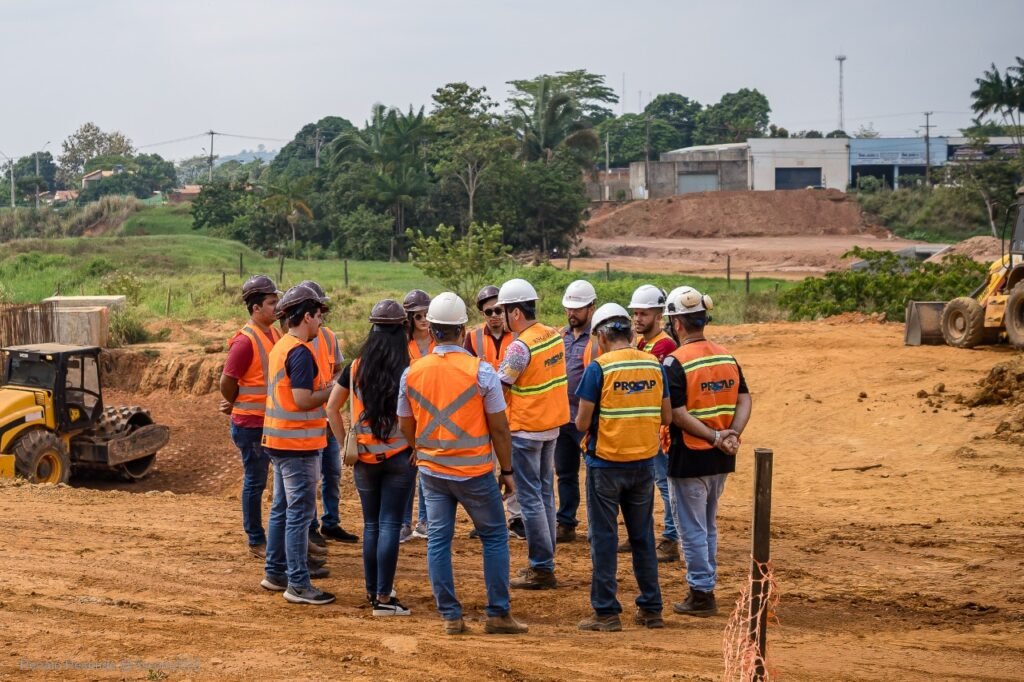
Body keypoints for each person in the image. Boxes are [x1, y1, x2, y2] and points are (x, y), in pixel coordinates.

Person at [398, 292, 528, 635]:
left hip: (433, 472)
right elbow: (500, 428)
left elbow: (405, 423)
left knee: (438, 540)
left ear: (434, 330)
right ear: (461, 331)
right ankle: (497, 614)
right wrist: (508, 470)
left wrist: (418, 448)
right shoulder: (482, 372)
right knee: (495, 537)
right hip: (475, 472)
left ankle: (450, 616)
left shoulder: (412, 372)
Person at [574, 303, 671, 632]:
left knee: (604, 538)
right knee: (643, 537)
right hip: (643, 464)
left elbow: (582, 420)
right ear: (630, 334)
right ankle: (651, 609)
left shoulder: (599, 368)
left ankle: (606, 612)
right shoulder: (654, 365)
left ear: (601, 336)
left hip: (605, 465)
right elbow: (667, 417)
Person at [662, 286, 752, 617]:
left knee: (692, 528)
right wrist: (732, 436)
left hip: (690, 455)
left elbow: (676, 414)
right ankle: (705, 585)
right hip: (720, 456)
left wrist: (716, 437)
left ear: (678, 324)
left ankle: (701, 592)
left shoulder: (675, 362)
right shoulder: (726, 355)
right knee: (708, 524)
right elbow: (745, 398)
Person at [326, 300, 415, 616]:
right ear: (402, 329)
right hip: (400, 458)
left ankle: (372, 591)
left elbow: (332, 408)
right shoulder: (409, 368)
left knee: (372, 525)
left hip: (364, 460)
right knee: (391, 523)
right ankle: (384, 598)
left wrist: (344, 444)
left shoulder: (356, 367)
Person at [259, 284, 337, 605]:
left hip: (280, 439)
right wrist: (332, 391)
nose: (320, 323)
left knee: (282, 508)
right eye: (318, 316)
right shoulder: (300, 352)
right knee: (299, 514)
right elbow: (303, 399)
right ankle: (298, 583)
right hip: (297, 445)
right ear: (307, 316)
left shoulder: (282, 345)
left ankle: (276, 572)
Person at [497, 278, 569, 590]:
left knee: (529, 499)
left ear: (515, 313)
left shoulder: (519, 347)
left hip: (526, 430)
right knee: (543, 493)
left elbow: (500, 388)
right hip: (551, 427)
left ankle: (542, 566)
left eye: (503, 311)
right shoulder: (553, 335)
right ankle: (545, 561)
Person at [219, 274, 282, 559]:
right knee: (256, 482)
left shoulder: (274, 334)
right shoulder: (244, 342)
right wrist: (237, 402)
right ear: (256, 308)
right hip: (251, 424)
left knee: (264, 481)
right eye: (272, 302)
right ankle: (256, 539)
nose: (277, 306)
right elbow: (226, 382)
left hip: (267, 420)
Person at [300, 280, 359, 547]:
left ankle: (330, 522)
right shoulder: (295, 341)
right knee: (311, 478)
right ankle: (310, 526)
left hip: (327, 416)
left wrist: (332, 384)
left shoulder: (329, 337)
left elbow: (338, 370)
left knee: (332, 473)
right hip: (307, 418)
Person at [465, 284, 524, 540]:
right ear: (482, 314)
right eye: (489, 311)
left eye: (499, 309)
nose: (495, 315)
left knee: (512, 467)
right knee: (483, 469)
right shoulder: (473, 338)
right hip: (481, 414)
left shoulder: (519, 337)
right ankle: (485, 520)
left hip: (514, 412)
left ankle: (516, 517)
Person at [627, 284, 680, 563]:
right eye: (635, 313)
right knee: (651, 481)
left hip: (659, 425)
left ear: (659, 315)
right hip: (648, 424)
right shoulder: (642, 343)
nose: (637, 319)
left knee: (663, 482)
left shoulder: (664, 345)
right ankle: (647, 533)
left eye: (643, 314)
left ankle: (671, 537)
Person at [553, 279, 599, 544]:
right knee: (565, 473)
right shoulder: (560, 337)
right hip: (562, 418)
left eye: (578, 308)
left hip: (588, 419)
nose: (572, 313)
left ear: (591, 307)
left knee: (594, 475)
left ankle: (596, 526)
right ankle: (566, 522)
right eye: (569, 308)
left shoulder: (598, 339)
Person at [400, 288, 433, 543]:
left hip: (433, 412)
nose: (423, 319)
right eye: (417, 315)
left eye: (426, 314)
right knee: (406, 467)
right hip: (409, 412)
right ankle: (403, 522)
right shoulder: (402, 344)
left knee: (428, 467)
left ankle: (425, 520)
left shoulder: (438, 341)